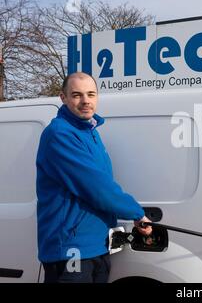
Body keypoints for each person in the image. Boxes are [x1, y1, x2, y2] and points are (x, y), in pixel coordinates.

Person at [36, 72, 152, 283]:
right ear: (63, 97)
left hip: (98, 244)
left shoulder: (90, 132)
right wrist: (136, 213)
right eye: (77, 95)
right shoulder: (60, 134)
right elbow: (97, 187)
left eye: (91, 94)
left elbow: (102, 182)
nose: (85, 101)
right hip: (71, 248)